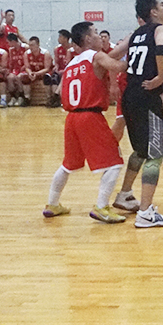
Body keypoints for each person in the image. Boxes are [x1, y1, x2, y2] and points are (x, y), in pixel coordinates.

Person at [42, 21, 130, 224]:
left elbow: (61, 91)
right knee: (114, 163)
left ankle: (52, 204)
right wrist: (137, 56)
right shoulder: (96, 56)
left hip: (72, 118)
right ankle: (101, 207)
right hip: (90, 116)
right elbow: (118, 66)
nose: (99, 36)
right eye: (96, 32)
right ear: (88, 39)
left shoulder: (72, 64)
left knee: (67, 165)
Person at [110, 0, 163, 228]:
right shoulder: (162, 29)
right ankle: (145, 212)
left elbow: (111, 57)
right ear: (154, 12)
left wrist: (112, 83)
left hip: (130, 95)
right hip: (148, 96)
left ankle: (125, 194)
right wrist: (160, 76)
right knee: (155, 154)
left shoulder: (134, 35)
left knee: (140, 150)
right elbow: (162, 47)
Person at [19, 36, 54, 107]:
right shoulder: (26, 53)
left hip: (43, 72)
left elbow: (47, 68)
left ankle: (49, 98)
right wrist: (30, 73)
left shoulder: (45, 53)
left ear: (38, 45)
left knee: (47, 78)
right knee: (24, 77)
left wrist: (37, 74)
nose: (30, 47)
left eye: (32, 45)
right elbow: (27, 67)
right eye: (29, 45)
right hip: (33, 72)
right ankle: (27, 98)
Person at [47, 29, 74, 107]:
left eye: (60, 36)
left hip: (70, 71)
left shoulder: (72, 49)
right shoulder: (57, 49)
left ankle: (56, 97)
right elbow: (57, 62)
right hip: (60, 70)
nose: (58, 38)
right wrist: (56, 67)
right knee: (54, 78)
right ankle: (56, 99)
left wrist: (64, 70)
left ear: (65, 38)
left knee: (64, 76)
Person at [3, 32, 28, 106]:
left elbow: (29, 59)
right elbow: (11, 62)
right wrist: (9, 70)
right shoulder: (11, 50)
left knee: (18, 77)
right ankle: (13, 97)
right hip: (16, 69)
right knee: (9, 77)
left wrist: (25, 66)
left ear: (13, 41)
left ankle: (21, 96)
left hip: (25, 68)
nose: (8, 44)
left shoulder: (25, 47)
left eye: (8, 42)